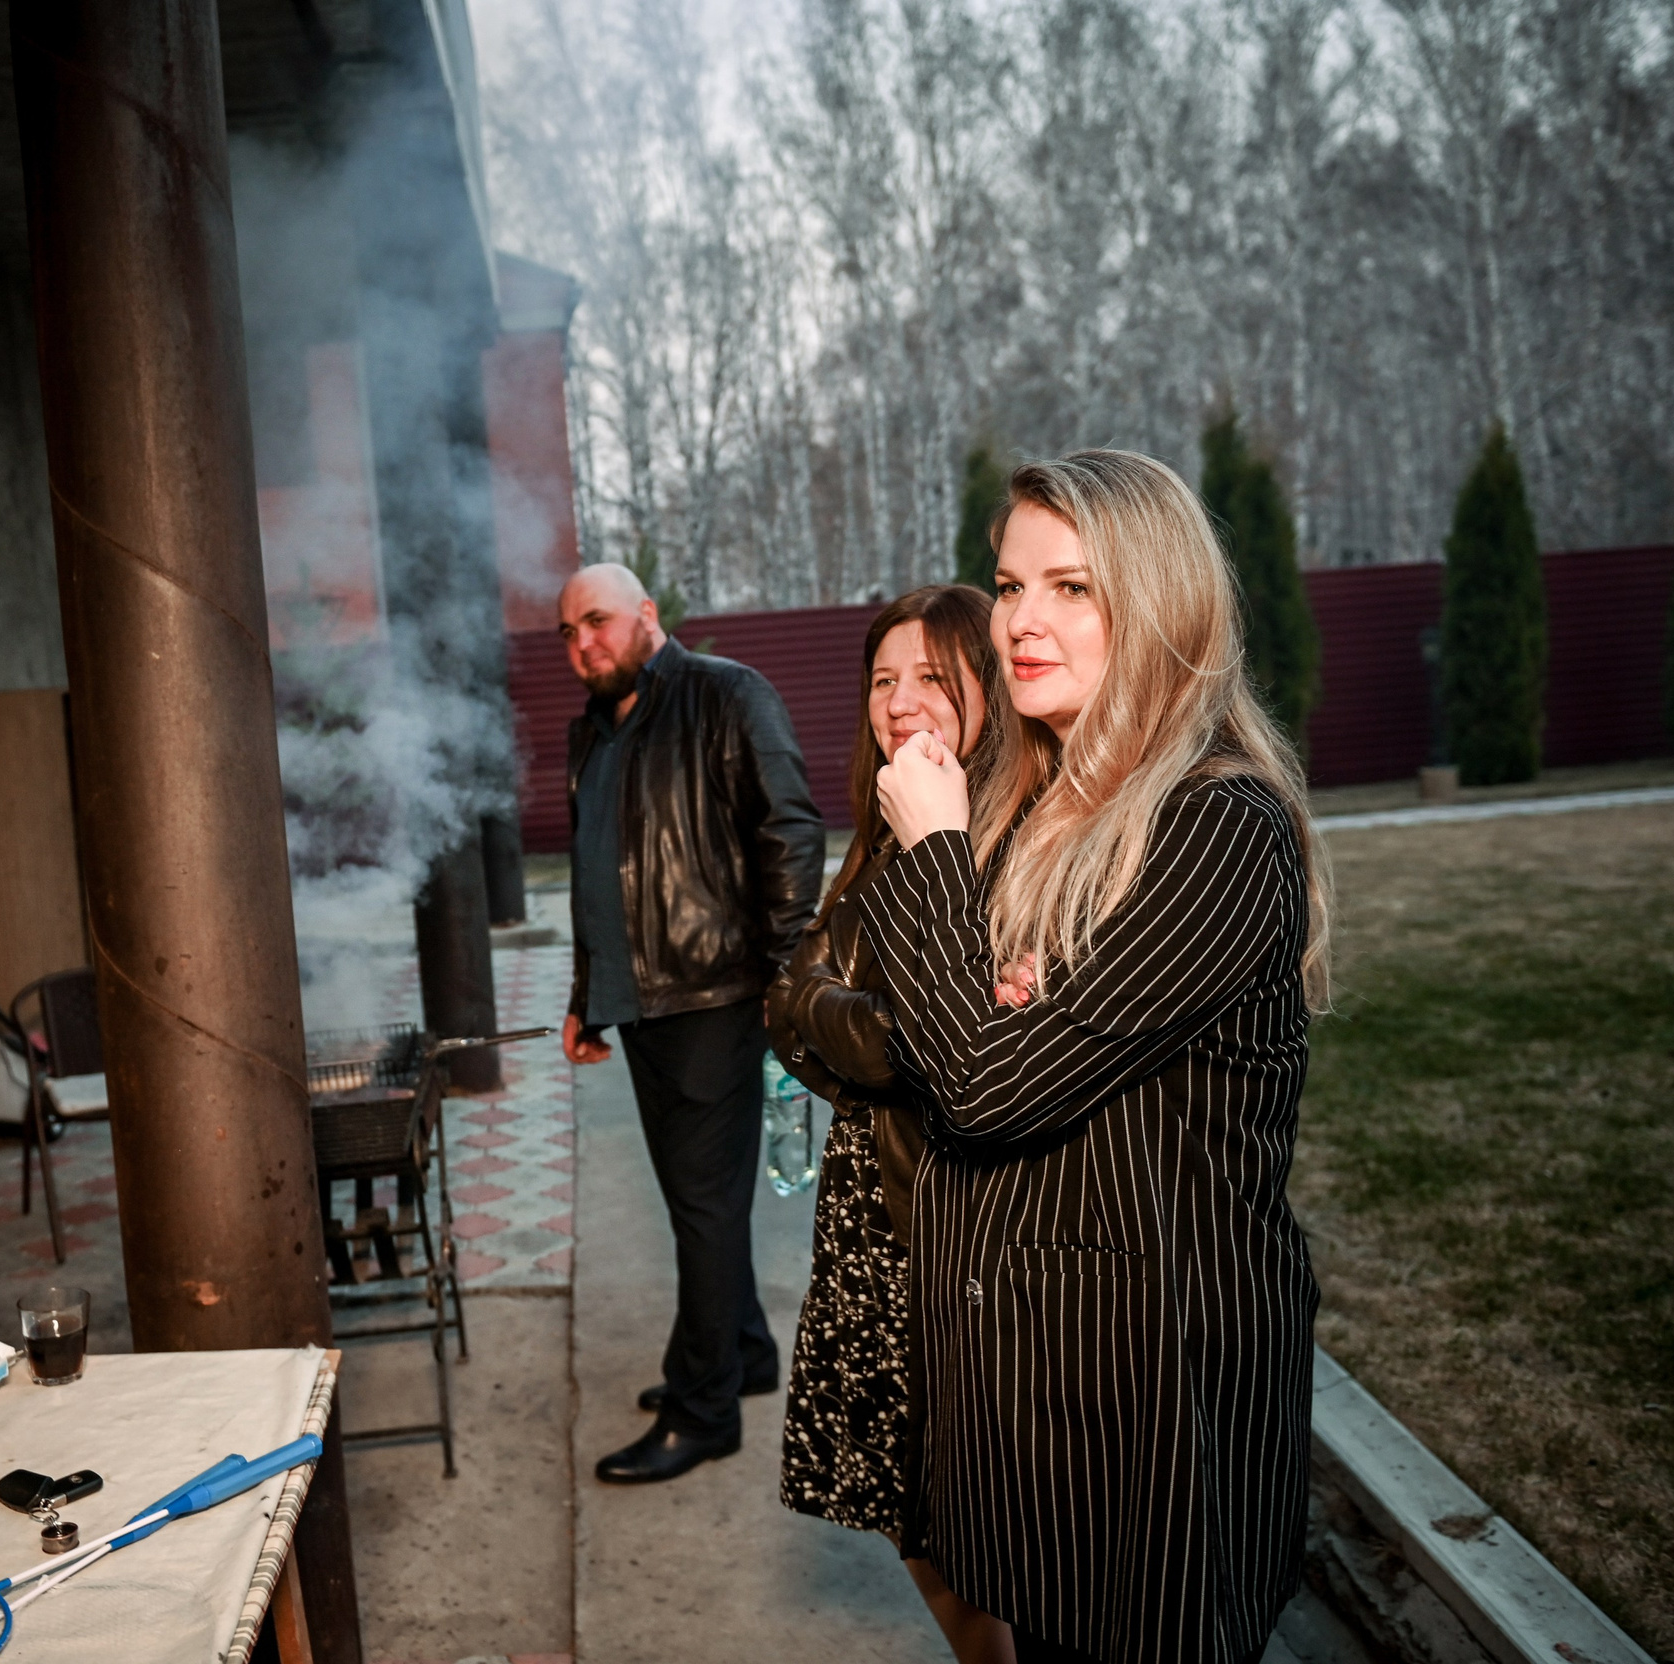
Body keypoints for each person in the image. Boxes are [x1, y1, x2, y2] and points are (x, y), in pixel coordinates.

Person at [863, 452, 1331, 1664]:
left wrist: (928, 861)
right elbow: (967, 1041)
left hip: (1145, 1416)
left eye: (1070, 586)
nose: (1020, 619)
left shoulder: (1215, 824)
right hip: (1040, 1403)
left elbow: (979, 1083)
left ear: (1158, 603)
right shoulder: (1042, 800)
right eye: (1011, 583)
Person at [770, 584, 1015, 1664]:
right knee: (901, 1506)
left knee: (974, 1516)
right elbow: (795, 1013)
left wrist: (831, 1015)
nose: (901, 701)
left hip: (950, 1228)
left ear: (987, 686)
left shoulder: (997, 836)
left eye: (931, 676)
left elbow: (918, 1045)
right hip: (871, 1210)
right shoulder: (883, 823)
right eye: (883, 679)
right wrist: (836, 1017)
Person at [556, 562, 824, 1484]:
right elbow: (597, 871)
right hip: (639, 1007)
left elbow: (788, 830)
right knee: (695, 1203)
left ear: (645, 615)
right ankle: (743, 1352)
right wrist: (586, 996)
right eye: (568, 631)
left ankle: (703, 1406)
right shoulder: (589, 732)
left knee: (705, 1209)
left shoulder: (727, 696)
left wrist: (788, 982)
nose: (582, 642)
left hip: (715, 997)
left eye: (596, 621)